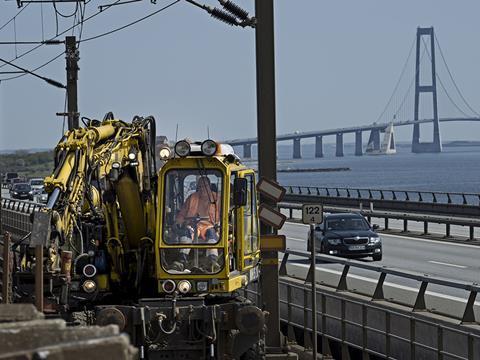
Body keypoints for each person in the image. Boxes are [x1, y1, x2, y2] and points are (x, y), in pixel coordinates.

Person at [174, 176, 221, 271]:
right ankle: (181, 261)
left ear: (209, 186)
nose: (202, 188)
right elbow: (182, 213)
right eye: (200, 186)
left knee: (211, 234)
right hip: (193, 226)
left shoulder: (217, 198)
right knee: (186, 233)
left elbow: (223, 213)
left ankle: (212, 261)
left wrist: (220, 224)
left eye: (205, 186)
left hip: (209, 226)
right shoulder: (192, 198)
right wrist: (178, 222)